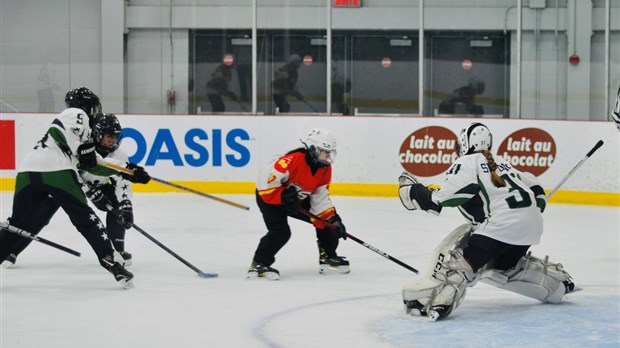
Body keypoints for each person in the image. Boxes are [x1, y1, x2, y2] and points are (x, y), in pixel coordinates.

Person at [397, 122, 578, 320]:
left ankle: (435, 301)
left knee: (461, 264)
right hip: (531, 228)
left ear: (464, 144)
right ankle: (554, 282)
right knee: (503, 266)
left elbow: (447, 198)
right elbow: (537, 192)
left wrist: (414, 192)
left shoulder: (468, 162)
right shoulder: (502, 163)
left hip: (499, 227)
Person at [0, 87, 147, 289]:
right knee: (85, 219)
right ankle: (113, 262)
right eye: (93, 107)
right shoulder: (76, 114)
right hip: (57, 172)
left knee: (16, 225)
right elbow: (66, 134)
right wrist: (82, 149)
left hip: (27, 174)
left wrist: (127, 171)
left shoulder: (81, 134)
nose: (95, 112)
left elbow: (92, 162)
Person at [247, 128, 348, 280]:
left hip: (297, 199)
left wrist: (332, 218)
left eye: (330, 152)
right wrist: (283, 196)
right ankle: (259, 264)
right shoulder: (291, 161)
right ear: (313, 149)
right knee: (281, 232)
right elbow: (264, 183)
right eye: (325, 152)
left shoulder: (324, 169)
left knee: (327, 223)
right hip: (269, 197)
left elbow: (320, 197)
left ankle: (327, 257)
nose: (328, 156)